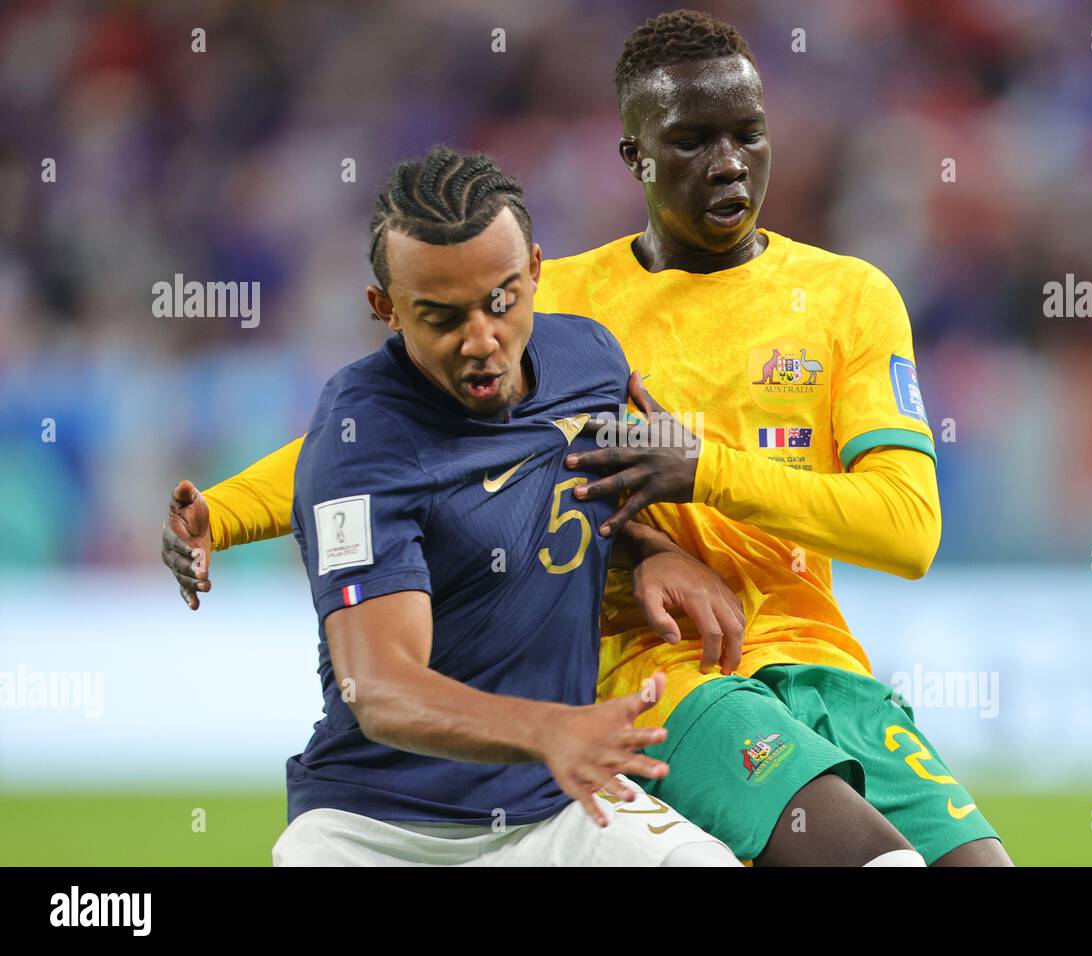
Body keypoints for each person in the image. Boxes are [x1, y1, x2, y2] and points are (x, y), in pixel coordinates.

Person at [164, 10, 1010, 867]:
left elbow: (907, 532)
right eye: (690, 140)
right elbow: (375, 438)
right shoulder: (550, 306)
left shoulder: (851, 296)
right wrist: (221, 515)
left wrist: (704, 474)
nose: (726, 163)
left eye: (748, 135)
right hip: (657, 668)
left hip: (821, 662)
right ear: (633, 156)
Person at [167, 144, 739, 866]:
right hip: (376, 829)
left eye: (502, 300)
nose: (482, 342)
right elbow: (376, 687)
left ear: (534, 269)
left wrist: (655, 551)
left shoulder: (591, 362)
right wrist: (551, 730)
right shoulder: (358, 446)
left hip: (557, 809)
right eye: (441, 317)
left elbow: (585, 482)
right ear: (385, 309)